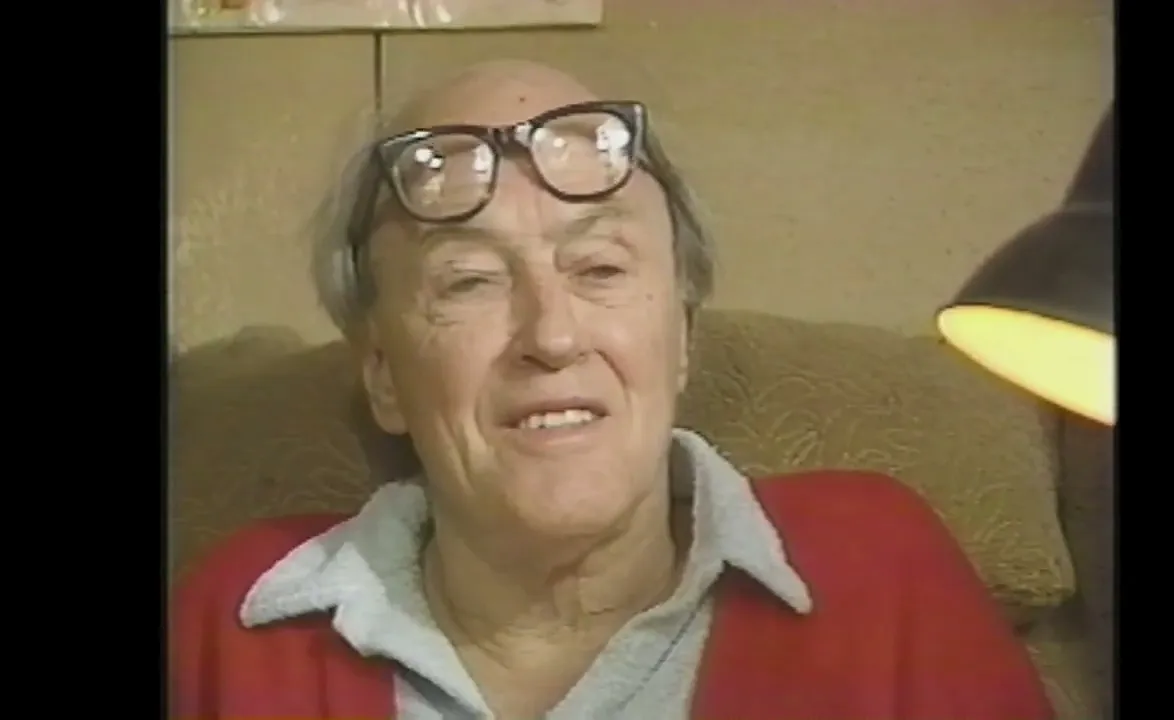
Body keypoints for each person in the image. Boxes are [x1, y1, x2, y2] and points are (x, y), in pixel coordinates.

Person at [170, 59, 1053, 720]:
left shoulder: (879, 567)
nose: (552, 336)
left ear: (683, 338)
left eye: (599, 267)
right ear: (384, 376)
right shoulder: (240, 626)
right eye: (469, 281)